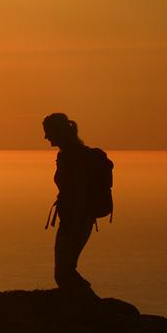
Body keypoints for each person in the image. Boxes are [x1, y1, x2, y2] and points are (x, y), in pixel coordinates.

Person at [42, 112, 112, 295]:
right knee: (65, 269)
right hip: (76, 217)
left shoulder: (71, 156)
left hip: (76, 219)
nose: (46, 136)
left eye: (48, 131)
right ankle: (84, 303)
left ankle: (86, 303)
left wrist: (76, 220)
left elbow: (80, 189)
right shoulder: (70, 154)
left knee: (63, 271)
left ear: (59, 131)